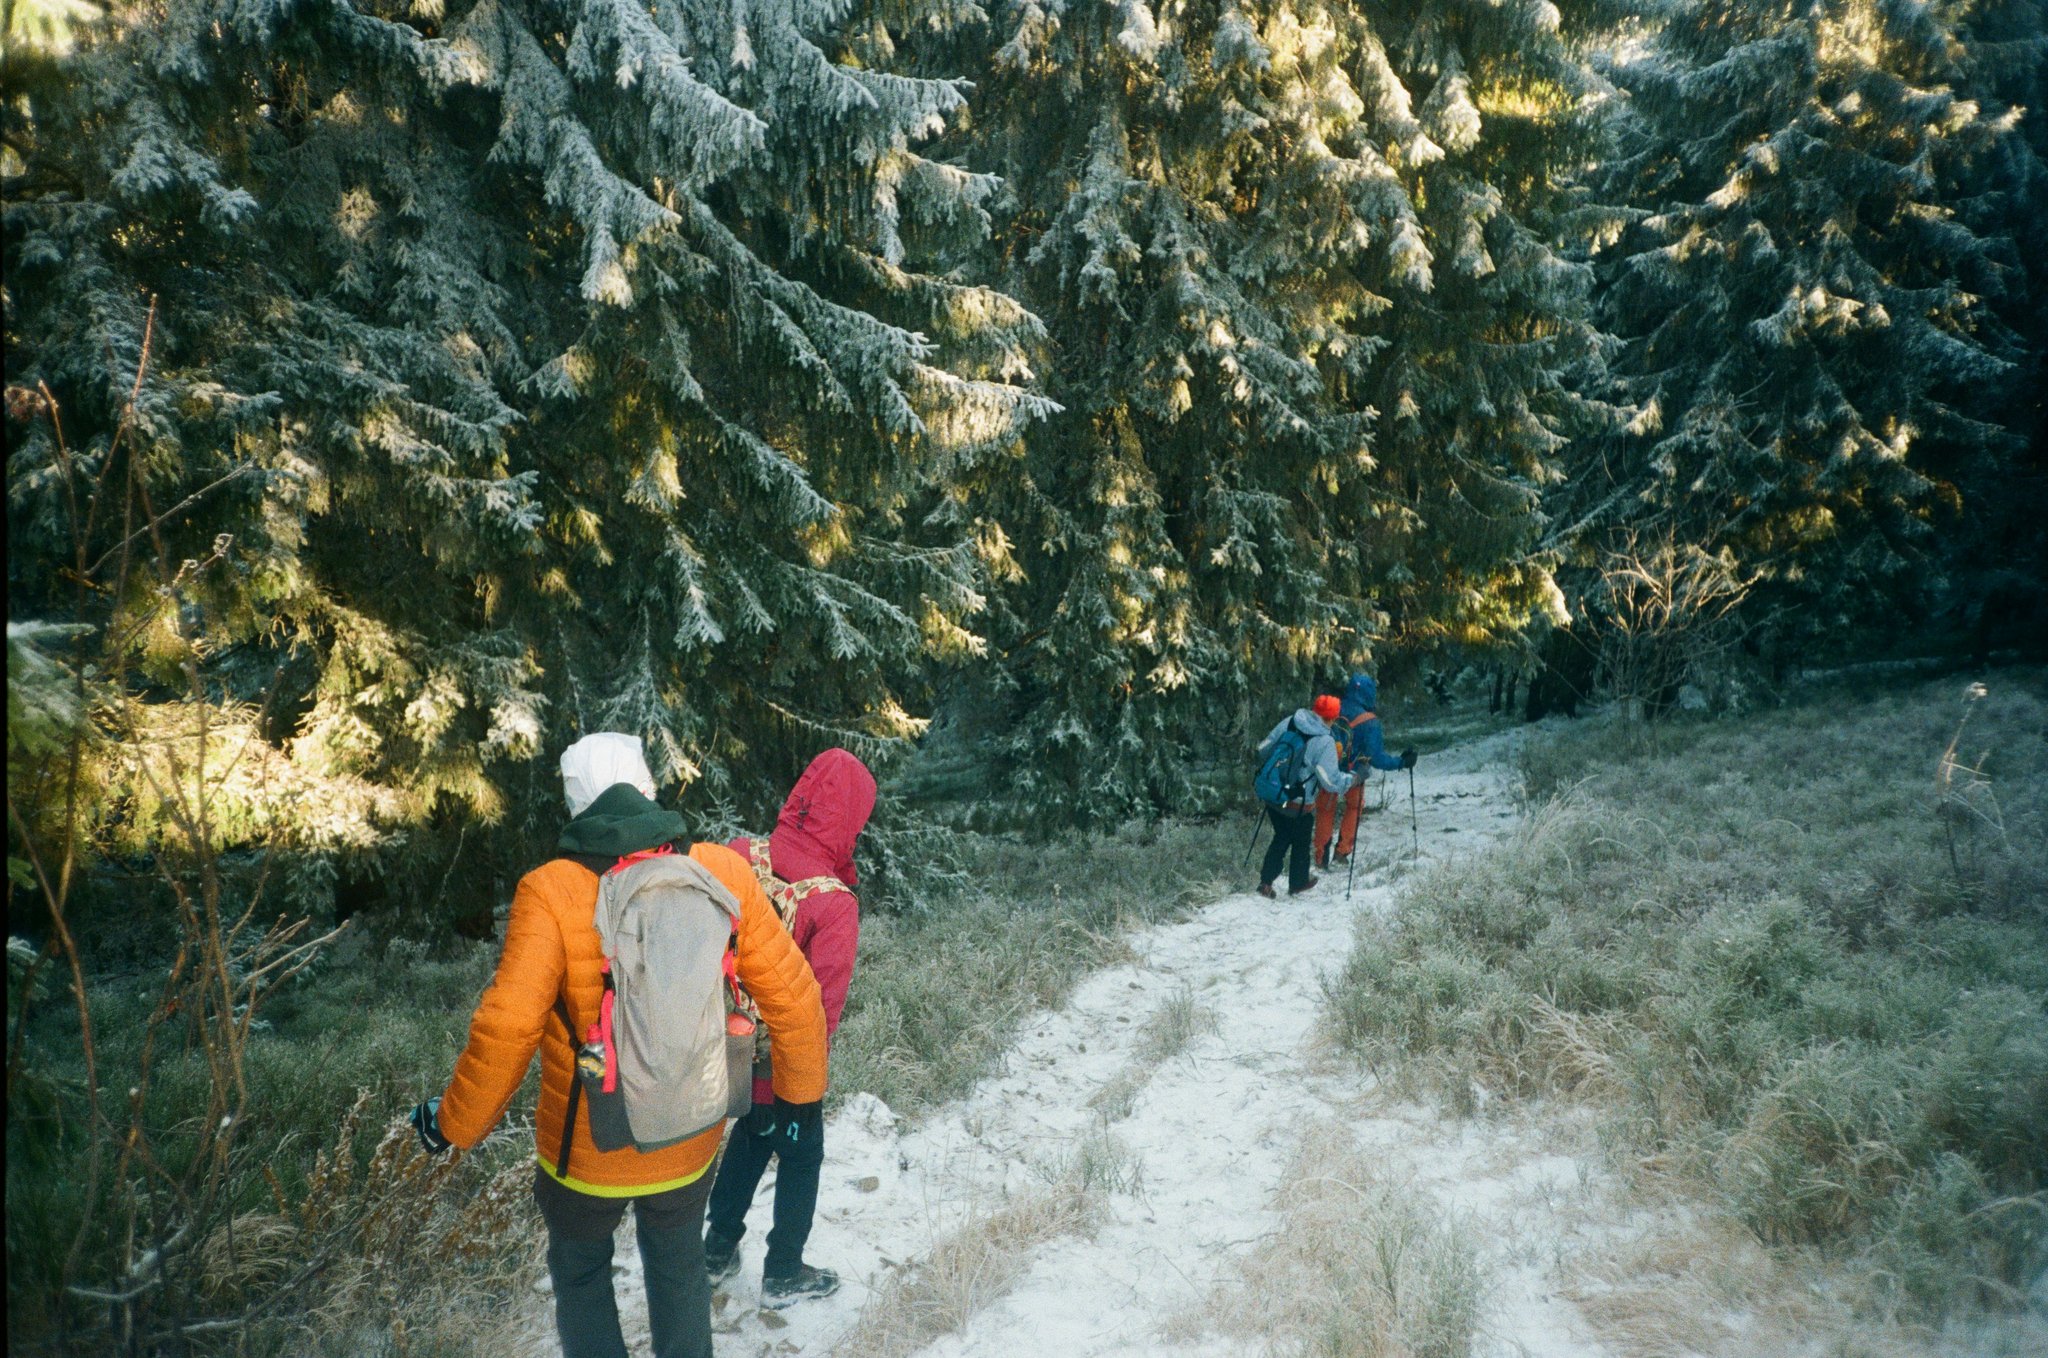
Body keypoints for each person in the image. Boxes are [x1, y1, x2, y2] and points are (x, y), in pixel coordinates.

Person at [407, 733, 828, 1358]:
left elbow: (508, 1026)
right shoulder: (722, 871)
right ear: (649, 788)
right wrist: (799, 1102)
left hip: (585, 1145)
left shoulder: (550, 891)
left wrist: (451, 1125)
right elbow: (796, 998)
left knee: (581, 1276)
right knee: (680, 1268)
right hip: (689, 1131)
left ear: (577, 805)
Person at [703, 748, 876, 1307]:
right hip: (785, 1060)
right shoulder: (833, 904)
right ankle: (783, 1270)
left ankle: (715, 1250)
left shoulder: (737, 854)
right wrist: (804, 1083)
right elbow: (822, 1008)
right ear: (852, 819)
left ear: (800, 793)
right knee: (803, 1155)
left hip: (725, 1044)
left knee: (749, 1139)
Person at [1314, 672, 1417, 870]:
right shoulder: (1369, 721)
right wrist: (1401, 762)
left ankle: (1320, 857)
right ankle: (1342, 852)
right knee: (1354, 807)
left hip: (1328, 771)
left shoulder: (1332, 710)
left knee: (1325, 810)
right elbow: (1377, 758)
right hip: (1355, 774)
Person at [1253, 693, 1352, 898]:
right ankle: (1287, 883)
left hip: (1273, 792)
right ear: (1332, 718)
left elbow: (1263, 749)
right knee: (1296, 836)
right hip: (1297, 801)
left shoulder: (1290, 721)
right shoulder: (1325, 741)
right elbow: (1330, 781)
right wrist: (1353, 778)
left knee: (1285, 835)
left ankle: (1276, 882)